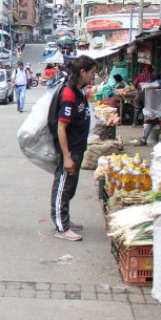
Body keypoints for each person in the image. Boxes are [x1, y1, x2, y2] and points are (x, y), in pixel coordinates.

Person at [51, 55, 97, 242]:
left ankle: (65, 219)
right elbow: (61, 126)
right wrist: (67, 156)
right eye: (92, 72)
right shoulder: (69, 93)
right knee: (62, 187)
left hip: (77, 147)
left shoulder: (79, 90)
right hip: (69, 150)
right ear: (83, 72)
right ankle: (61, 227)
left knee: (70, 187)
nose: (94, 77)